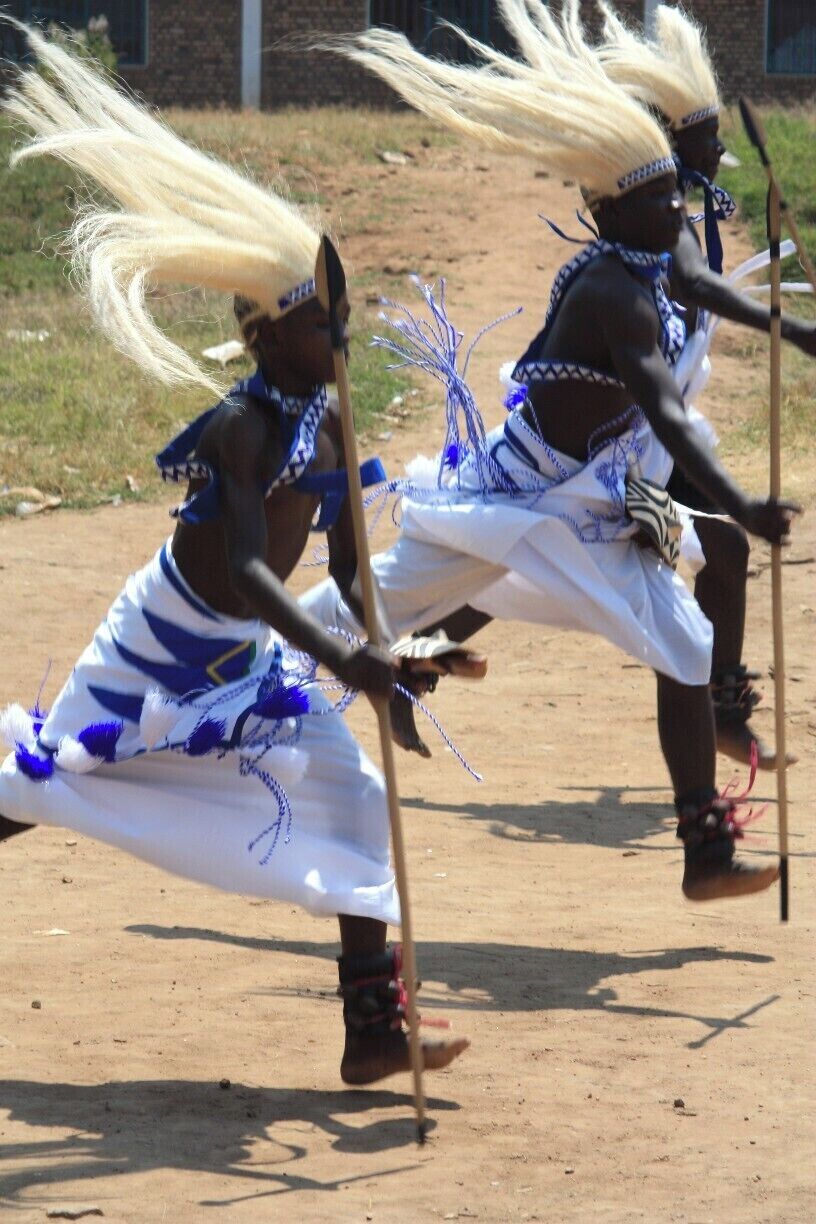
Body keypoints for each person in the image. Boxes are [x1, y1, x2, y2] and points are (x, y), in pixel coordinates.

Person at [0, 23, 469, 1086]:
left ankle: (373, 1029)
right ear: (262, 338)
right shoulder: (241, 430)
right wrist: (348, 662)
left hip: (249, 668)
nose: (338, 336)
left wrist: (397, 660)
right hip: (156, 649)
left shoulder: (339, 428)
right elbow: (258, 576)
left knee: (353, 797)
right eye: (318, 321)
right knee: (46, 784)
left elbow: (351, 578)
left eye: (340, 315)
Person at [303, 0, 798, 902]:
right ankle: (229, 651)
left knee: (686, 624)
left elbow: (690, 300)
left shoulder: (655, 251)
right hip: (517, 504)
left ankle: (704, 846)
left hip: (585, 502)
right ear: (618, 205)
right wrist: (740, 496)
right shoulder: (614, 288)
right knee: (350, 612)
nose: (693, 188)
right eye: (667, 189)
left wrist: (791, 331)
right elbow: (663, 405)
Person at [595, 0, 812, 767]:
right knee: (510, 564)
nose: (721, 149)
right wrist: (794, 331)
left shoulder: (680, 208)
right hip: (611, 453)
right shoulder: (664, 218)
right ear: (673, 142)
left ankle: (718, 713)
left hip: (654, 438)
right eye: (708, 136)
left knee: (719, 553)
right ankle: (411, 647)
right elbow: (696, 289)